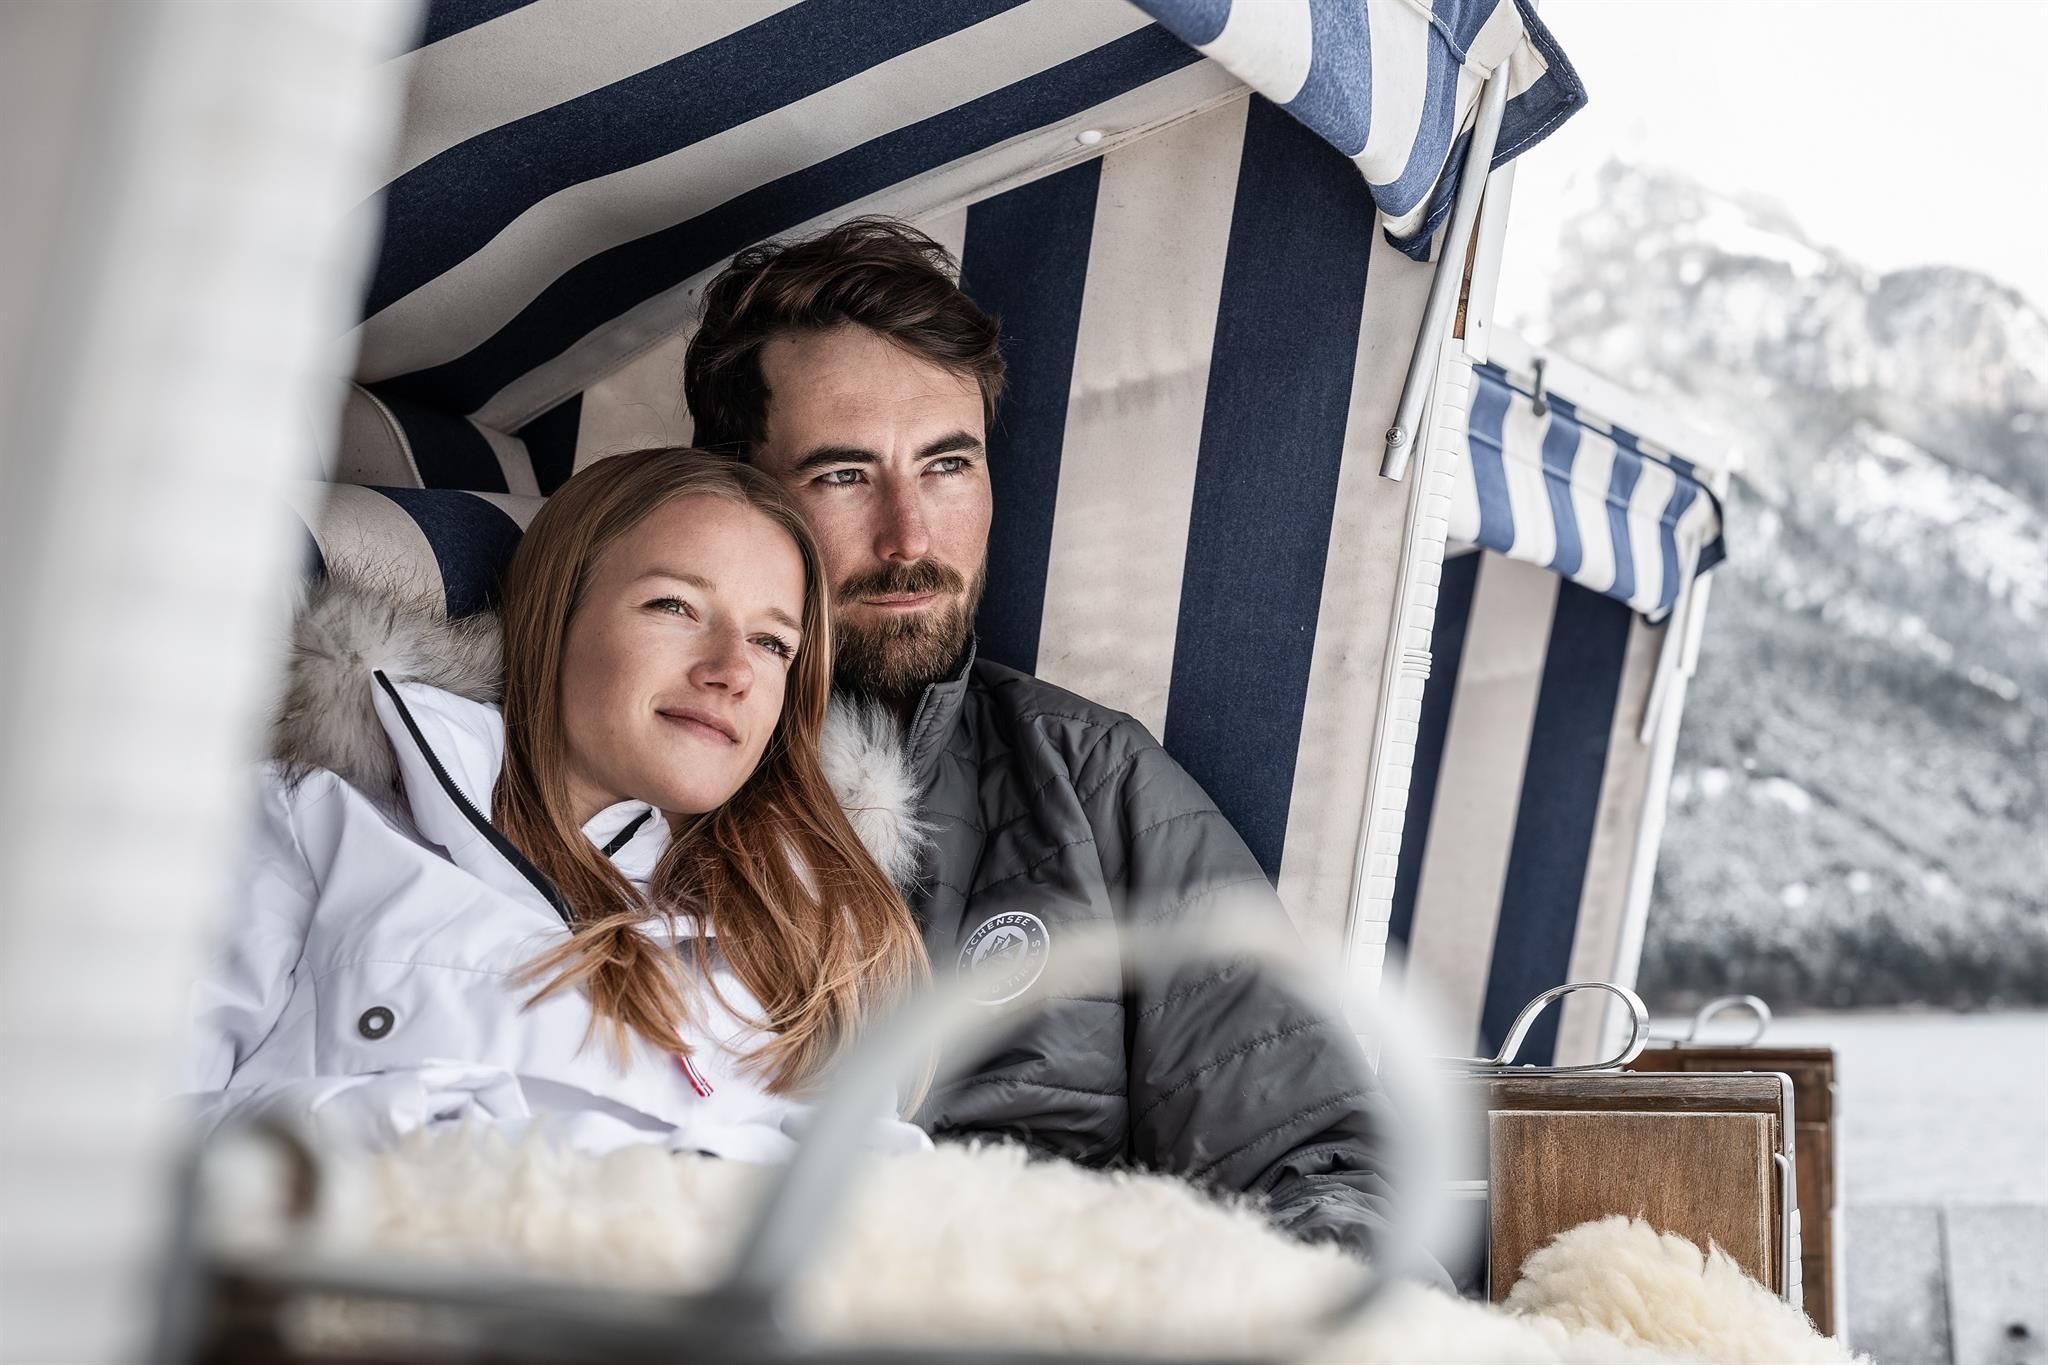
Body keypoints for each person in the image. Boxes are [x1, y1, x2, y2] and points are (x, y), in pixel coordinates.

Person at [682, 220, 1409, 1258]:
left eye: (946, 465)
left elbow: (1322, 1164)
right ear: (735, 496)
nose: (909, 538)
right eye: (843, 475)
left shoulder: (1097, 782)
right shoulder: (638, 766)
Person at [188, 449, 929, 1158]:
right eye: (675, 605)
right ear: (557, 615)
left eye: (772, 643)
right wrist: (477, 1148)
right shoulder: (314, 825)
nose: (732, 669)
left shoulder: (810, 932)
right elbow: (135, 1129)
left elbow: (875, 1202)